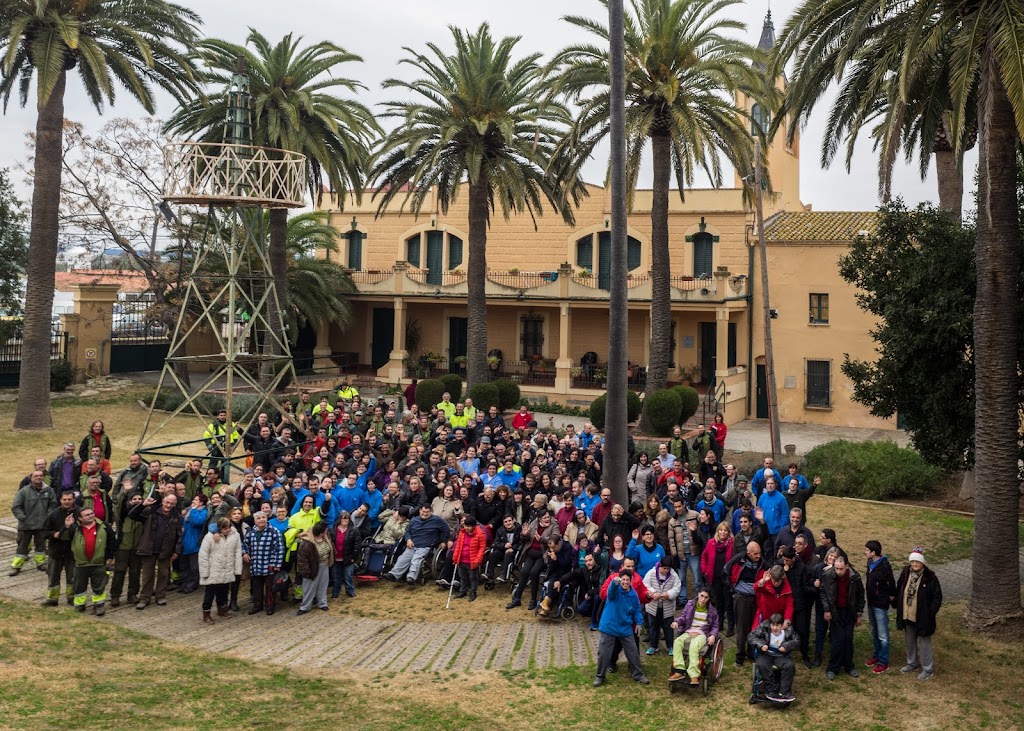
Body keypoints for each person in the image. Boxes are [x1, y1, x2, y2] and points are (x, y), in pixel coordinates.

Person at [593, 569, 651, 686]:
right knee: (604, 653)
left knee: (633, 652)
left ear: (631, 581)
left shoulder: (633, 595)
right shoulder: (615, 590)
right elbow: (610, 593)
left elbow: (637, 610)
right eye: (623, 580)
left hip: (625, 628)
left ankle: (638, 674)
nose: (625, 582)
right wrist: (614, 584)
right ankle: (600, 676)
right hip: (609, 626)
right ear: (620, 580)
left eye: (627, 580)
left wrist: (639, 622)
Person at [128, 493, 182, 610]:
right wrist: (143, 505)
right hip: (149, 548)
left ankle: (160, 596)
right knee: (147, 575)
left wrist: (176, 551)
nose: (169, 505)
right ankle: (144, 598)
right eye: (167, 502)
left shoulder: (176, 516)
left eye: (172, 503)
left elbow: (179, 535)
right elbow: (132, 515)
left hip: (166, 549)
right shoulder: (150, 511)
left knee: (163, 574)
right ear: (162, 501)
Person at [896, 547, 942, 681]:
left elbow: (937, 597)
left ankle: (927, 669)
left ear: (922, 563)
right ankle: (912, 663)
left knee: (924, 643)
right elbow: (900, 587)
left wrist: (930, 612)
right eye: (912, 561)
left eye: (917, 562)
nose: (914, 564)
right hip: (907, 614)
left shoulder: (930, 578)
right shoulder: (906, 573)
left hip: (923, 617)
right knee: (909, 641)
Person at [820, 554, 865, 679]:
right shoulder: (828, 575)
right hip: (836, 611)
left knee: (848, 639)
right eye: (836, 568)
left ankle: (849, 666)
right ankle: (833, 667)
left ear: (846, 567)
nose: (838, 571)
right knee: (837, 641)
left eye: (841, 569)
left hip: (849, 611)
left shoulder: (854, 577)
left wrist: (859, 613)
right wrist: (827, 610)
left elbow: (860, 595)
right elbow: (823, 593)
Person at [724, 540, 769, 666]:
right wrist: (731, 589)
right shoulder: (739, 559)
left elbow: (771, 570)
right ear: (748, 553)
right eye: (755, 554)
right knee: (742, 628)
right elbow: (725, 570)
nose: (758, 556)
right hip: (742, 598)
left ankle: (751, 652)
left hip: (756, 598)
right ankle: (740, 655)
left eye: (759, 553)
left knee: (753, 627)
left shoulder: (762, 562)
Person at [385, 504, 451, 584]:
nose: (425, 514)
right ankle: (394, 574)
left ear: (431, 512)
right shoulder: (414, 520)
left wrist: (444, 541)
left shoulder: (437, 520)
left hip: (426, 546)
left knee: (416, 559)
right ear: (420, 511)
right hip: (412, 545)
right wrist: (408, 539)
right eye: (423, 511)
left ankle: (411, 577)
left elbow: (446, 530)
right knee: (403, 558)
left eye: (427, 512)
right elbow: (407, 531)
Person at [69, 506, 116, 616]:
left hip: (99, 562)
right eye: (87, 515)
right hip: (80, 563)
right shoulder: (74, 528)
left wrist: (110, 557)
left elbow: (112, 542)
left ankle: (99, 605)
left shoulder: (104, 526)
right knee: (79, 586)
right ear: (80, 518)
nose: (91, 516)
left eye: (91, 513)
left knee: (99, 585)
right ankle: (79, 605)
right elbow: (65, 540)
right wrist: (67, 527)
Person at [10, 469, 57, 576]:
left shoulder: (49, 490)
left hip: (42, 524)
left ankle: (41, 563)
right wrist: (23, 518)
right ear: (31, 478)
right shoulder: (24, 491)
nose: (38, 477)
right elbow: (16, 507)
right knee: (22, 547)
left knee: (41, 546)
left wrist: (47, 517)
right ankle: (16, 566)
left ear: (43, 477)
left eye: (40, 476)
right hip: (26, 526)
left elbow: (53, 504)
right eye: (36, 476)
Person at [669, 588, 720, 685]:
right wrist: (677, 622)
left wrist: (713, 635)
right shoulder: (690, 605)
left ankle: (694, 674)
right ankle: (679, 670)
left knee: (694, 645)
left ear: (709, 598)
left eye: (706, 597)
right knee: (677, 642)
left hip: (702, 633)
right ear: (698, 594)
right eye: (702, 596)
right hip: (689, 631)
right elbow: (683, 617)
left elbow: (715, 625)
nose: (703, 599)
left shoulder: (712, 610)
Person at [199, 517, 243, 623]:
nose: (227, 530)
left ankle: (221, 609)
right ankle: (206, 613)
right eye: (224, 528)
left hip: (227, 568)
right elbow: (203, 555)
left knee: (223, 591)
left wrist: (237, 570)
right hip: (213, 569)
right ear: (219, 528)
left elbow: (238, 552)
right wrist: (204, 572)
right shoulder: (210, 537)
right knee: (210, 593)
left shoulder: (235, 535)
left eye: (228, 528)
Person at [749, 613, 798, 702]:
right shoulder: (764, 626)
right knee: (762, 665)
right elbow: (751, 636)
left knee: (789, 665)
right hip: (765, 654)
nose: (774, 628)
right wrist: (761, 645)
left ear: (782, 625)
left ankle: (785, 692)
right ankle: (772, 690)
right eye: (772, 625)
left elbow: (797, 641)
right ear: (770, 624)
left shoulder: (788, 629)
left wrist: (786, 646)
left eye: (777, 625)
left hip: (780, 655)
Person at [864, 540, 897, 673]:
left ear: (873, 552)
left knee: (883, 635)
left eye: (867, 550)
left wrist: (890, 597)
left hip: (880, 604)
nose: (865, 552)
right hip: (871, 602)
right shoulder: (869, 563)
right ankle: (876, 655)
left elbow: (891, 583)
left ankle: (883, 661)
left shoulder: (884, 566)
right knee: (874, 631)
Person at [243, 510, 284, 614]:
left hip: (269, 565)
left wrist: (277, 564)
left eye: (263, 518)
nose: (261, 520)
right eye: (258, 518)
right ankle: (257, 606)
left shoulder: (274, 532)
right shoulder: (251, 533)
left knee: (270, 588)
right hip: (256, 565)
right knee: (256, 587)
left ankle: (270, 606)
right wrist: (245, 553)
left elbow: (279, 549)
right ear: (255, 521)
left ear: (266, 519)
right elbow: (245, 544)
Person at [42, 491, 77, 606]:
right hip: (56, 551)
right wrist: (53, 534)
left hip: (72, 551)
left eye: (69, 499)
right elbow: (44, 531)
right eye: (64, 499)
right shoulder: (54, 514)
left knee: (72, 576)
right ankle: (52, 598)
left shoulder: (79, 513)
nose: (67, 502)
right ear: (60, 500)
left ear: (74, 500)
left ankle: (72, 597)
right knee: (53, 576)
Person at [296, 521, 334, 615]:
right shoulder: (306, 543)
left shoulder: (326, 537)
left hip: (324, 565)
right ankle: (305, 606)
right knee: (309, 588)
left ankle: (322, 603)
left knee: (323, 585)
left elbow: (331, 548)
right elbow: (302, 560)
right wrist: (306, 572)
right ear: (321, 532)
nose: (326, 531)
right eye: (325, 530)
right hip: (312, 568)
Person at [642, 561, 680, 655]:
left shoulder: (674, 576)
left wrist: (669, 594)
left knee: (668, 627)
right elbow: (645, 585)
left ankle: (670, 647)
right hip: (653, 607)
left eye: (668, 569)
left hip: (667, 607)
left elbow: (677, 588)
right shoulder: (651, 573)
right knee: (653, 626)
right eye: (664, 568)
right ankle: (653, 646)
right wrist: (653, 593)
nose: (666, 571)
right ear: (660, 566)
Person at [452, 515, 488, 601]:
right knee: (462, 577)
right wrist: (455, 557)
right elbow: (458, 546)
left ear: (474, 526)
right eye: (465, 526)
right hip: (461, 559)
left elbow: (482, 548)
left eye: (469, 526)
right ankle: (463, 591)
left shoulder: (480, 534)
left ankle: (473, 592)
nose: (466, 528)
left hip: (472, 561)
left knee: (473, 578)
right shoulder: (462, 533)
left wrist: (477, 560)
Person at [328, 510, 360, 600]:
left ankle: (350, 591)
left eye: (347, 519)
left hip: (348, 558)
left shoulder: (354, 530)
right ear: (339, 519)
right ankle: (335, 592)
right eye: (343, 518)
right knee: (336, 577)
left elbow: (357, 545)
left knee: (348, 576)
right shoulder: (332, 530)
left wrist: (353, 557)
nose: (345, 520)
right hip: (336, 558)